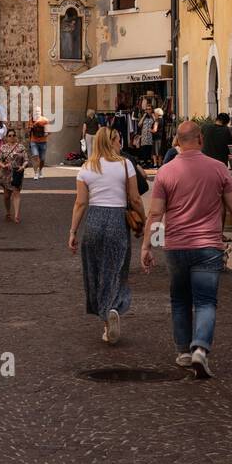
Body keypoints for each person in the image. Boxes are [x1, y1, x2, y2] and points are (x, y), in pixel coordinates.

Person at [141, 120, 232, 378]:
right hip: (208, 245)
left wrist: (147, 246)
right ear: (200, 139)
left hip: (176, 245)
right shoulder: (219, 168)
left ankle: (183, 352)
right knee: (206, 301)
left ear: (177, 141)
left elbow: (155, 213)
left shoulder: (166, 172)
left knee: (179, 300)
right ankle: (200, 347)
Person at [69, 126, 146, 345]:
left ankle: (105, 318)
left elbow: (80, 203)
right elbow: (135, 198)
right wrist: (144, 221)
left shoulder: (86, 167)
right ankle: (112, 308)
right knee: (117, 268)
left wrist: (73, 231)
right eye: (119, 139)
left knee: (95, 270)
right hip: (117, 220)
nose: (120, 143)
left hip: (93, 220)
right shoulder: (125, 165)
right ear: (111, 141)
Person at [0, 129, 29, 223]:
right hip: (6, 173)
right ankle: (8, 212)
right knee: (7, 195)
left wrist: (23, 167)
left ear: (16, 136)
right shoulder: (3, 147)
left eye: (13, 135)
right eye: (9, 135)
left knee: (16, 192)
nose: (11, 137)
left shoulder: (21, 147)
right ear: (6, 137)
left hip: (17, 173)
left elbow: (26, 160)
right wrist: (4, 166)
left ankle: (16, 215)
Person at [27, 109, 50, 180]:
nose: (37, 113)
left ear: (41, 112)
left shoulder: (45, 120)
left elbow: (48, 131)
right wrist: (30, 129)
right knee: (35, 156)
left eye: (38, 111)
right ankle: (36, 173)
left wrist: (45, 132)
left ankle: (40, 171)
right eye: (35, 112)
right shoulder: (31, 120)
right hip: (34, 141)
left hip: (43, 141)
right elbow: (28, 131)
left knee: (42, 159)